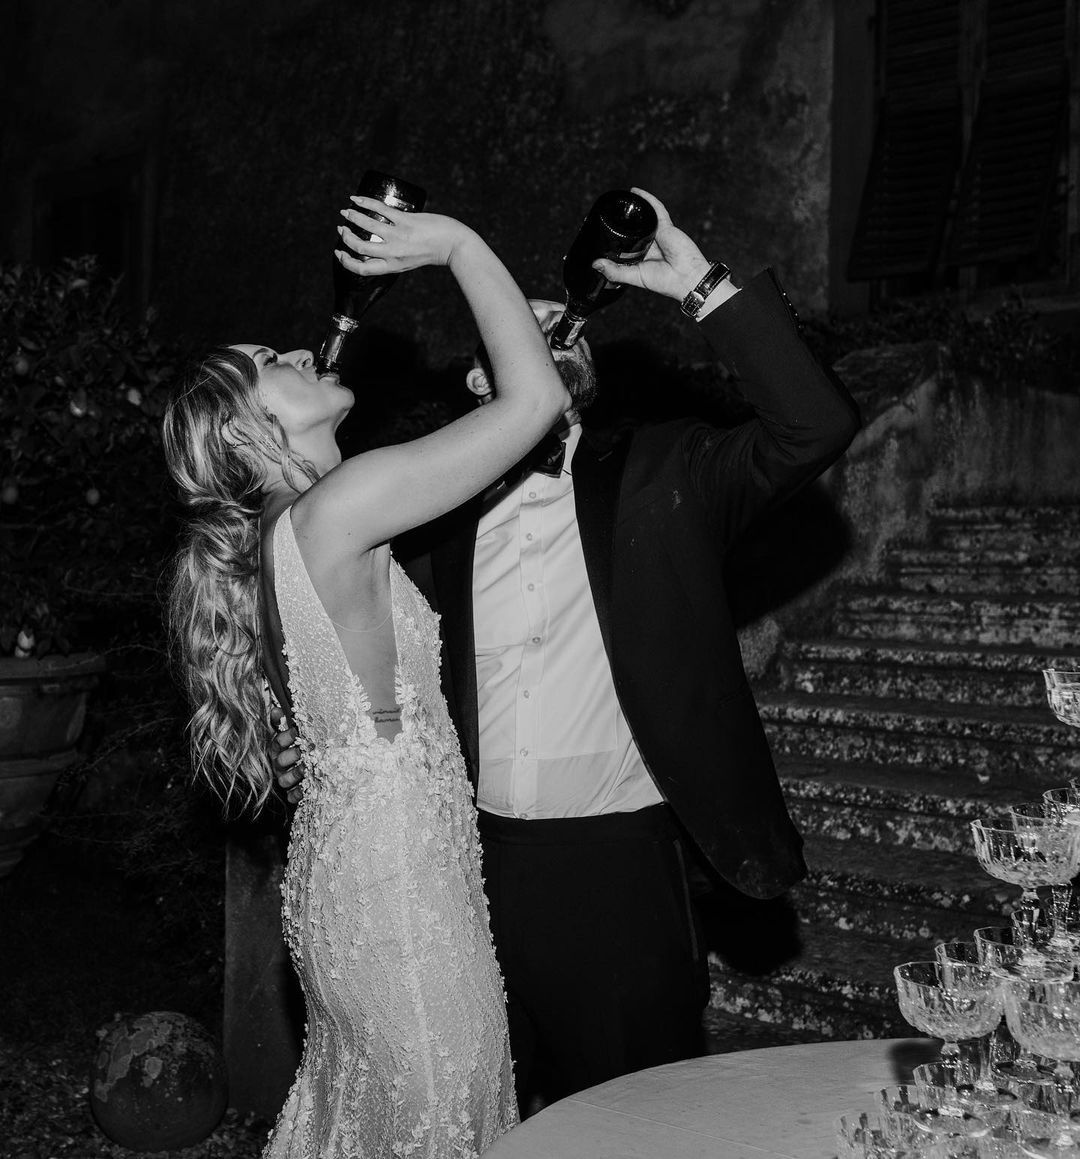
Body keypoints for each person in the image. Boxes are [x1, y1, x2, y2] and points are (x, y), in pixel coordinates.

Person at [273, 187, 861, 1112]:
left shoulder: (672, 474)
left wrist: (697, 281)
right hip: (465, 873)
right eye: (521, 334)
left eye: (567, 332)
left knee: (643, 1124)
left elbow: (815, 424)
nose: (552, 337)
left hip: (622, 873)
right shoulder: (422, 519)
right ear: (485, 381)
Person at [162, 194, 570, 1158]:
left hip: (347, 885)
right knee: (444, 1115)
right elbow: (537, 400)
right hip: (397, 897)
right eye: (273, 365)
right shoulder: (341, 507)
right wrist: (461, 246)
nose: (302, 353)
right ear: (249, 431)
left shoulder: (275, 547)